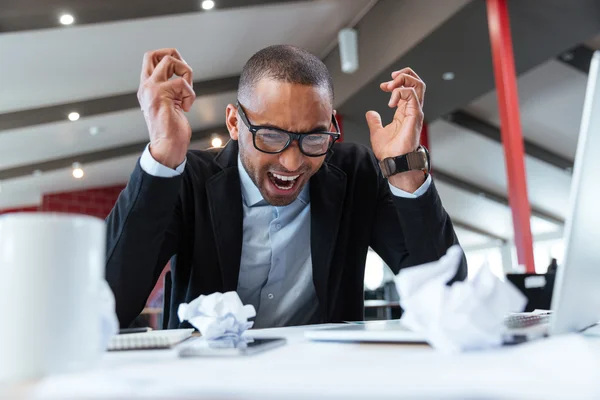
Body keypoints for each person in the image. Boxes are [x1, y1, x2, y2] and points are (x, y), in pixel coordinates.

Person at [106, 45, 467, 329]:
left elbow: (450, 297)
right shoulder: (189, 180)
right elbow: (108, 307)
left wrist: (406, 169)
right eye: (271, 135)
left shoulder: (357, 175)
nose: (293, 163)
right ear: (235, 122)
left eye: (314, 138)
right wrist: (163, 155)